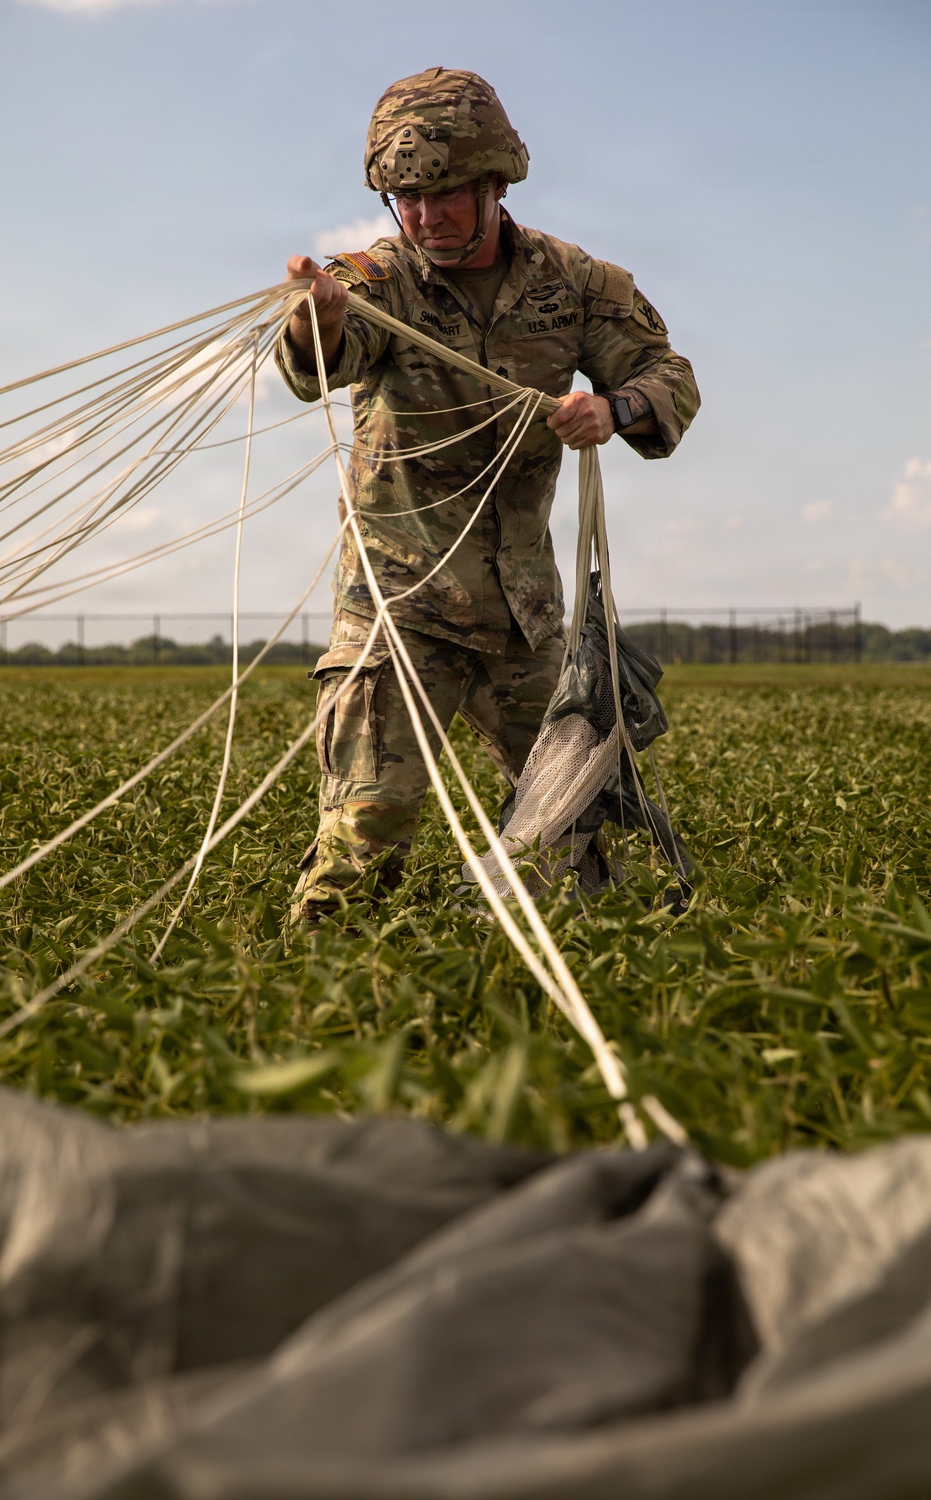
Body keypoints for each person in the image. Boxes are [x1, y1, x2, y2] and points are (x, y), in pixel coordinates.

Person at [277, 66, 699, 926]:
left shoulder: (576, 282)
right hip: (399, 609)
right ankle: (308, 1009)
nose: (424, 216)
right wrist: (313, 321)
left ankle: (571, 991)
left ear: (494, 184)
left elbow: (670, 374)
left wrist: (613, 409)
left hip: (522, 614)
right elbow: (327, 354)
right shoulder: (377, 279)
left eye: (443, 195)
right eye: (405, 198)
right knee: (364, 839)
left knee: (575, 827)